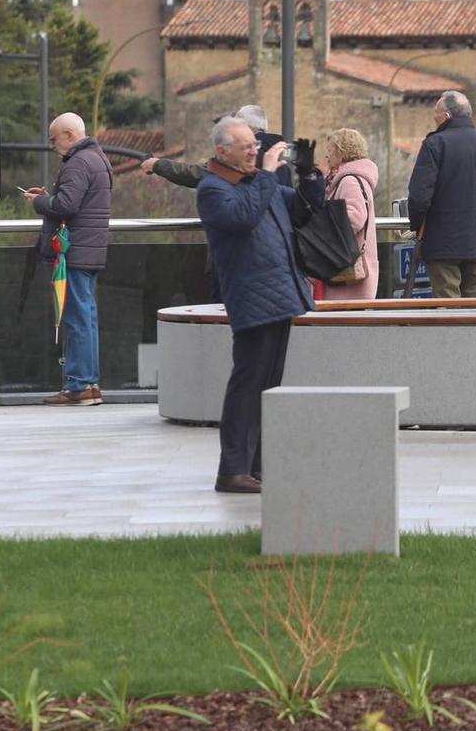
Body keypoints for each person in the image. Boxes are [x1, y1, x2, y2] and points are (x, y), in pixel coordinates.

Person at [197, 116, 322, 493]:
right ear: (223, 152)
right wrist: (268, 174)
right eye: (247, 147)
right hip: (251, 297)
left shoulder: (255, 183)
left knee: (268, 386)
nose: (256, 151)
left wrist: (308, 175)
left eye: (256, 145)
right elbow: (243, 218)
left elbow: (304, 210)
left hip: (280, 295)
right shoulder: (213, 188)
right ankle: (233, 470)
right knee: (248, 385)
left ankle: (257, 466)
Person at [29, 112, 113, 406]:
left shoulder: (78, 162)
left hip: (74, 252)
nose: (52, 145)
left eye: (54, 139)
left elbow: (67, 204)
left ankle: (78, 385)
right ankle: (90, 384)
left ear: (69, 135)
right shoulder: (98, 158)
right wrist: (50, 196)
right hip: (90, 249)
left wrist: (39, 202)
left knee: (77, 319)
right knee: (87, 317)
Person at [406, 90, 476, 299]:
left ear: (447, 116)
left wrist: (416, 227)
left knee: (447, 311)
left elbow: (419, 196)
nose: (434, 117)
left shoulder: (435, 144)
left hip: (442, 244)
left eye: (436, 112)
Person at [145, 105, 275, 189]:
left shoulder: (243, 155)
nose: (253, 152)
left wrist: (158, 165)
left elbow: (198, 175)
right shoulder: (281, 154)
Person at [320, 127, 381, 302]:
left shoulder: (349, 180)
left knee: (341, 328)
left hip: (348, 272)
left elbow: (355, 218)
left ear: (341, 152)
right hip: (353, 269)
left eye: (330, 150)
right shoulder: (355, 178)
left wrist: (323, 226)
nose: (327, 155)